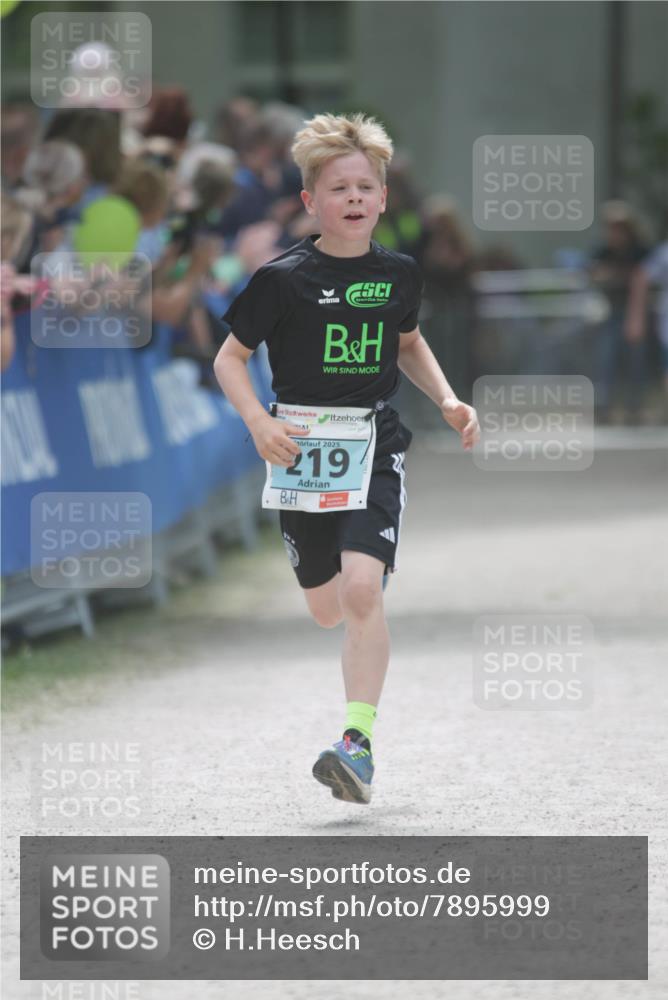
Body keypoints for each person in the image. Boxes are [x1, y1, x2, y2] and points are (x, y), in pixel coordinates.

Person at [213, 113, 479, 805]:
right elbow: (230, 358)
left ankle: (355, 744)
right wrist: (258, 420)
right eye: (339, 188)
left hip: (374, 444)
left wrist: (449, 399)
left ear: (384, 198)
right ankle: (351, 702)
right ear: (310, 202)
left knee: (363, 591)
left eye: (366, 186)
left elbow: (408, 342)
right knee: (327, 609)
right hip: (300, 451)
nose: (354, 198)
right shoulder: (282, 278)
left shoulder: (398, 274)